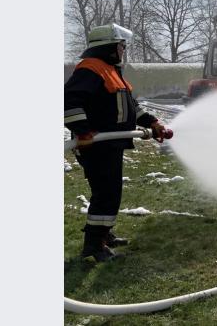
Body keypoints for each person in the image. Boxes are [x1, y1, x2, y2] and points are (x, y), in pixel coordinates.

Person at [64, 24, 172, 262]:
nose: (123, 50)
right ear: (109, 47)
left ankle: (103, 234)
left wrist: (152, 122)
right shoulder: (91, 69)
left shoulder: (111, 71)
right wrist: (83, 132)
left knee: (106, 192)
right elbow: (69, 102)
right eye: (121, 45)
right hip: (96, 145)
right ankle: (94, 245)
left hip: (110, 145)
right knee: (107, 193)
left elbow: (129, 106)